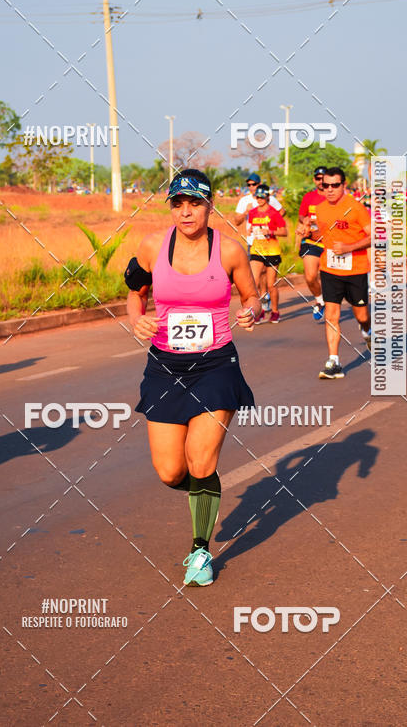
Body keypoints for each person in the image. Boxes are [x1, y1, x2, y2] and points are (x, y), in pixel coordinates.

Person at [125, 168, 260, 587]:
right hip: (165, 365)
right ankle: (206, 492)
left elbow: (251, 294)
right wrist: (136, 319)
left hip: (215, 365)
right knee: (170, 471)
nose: (186, 212)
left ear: (209, 205)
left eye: (195, 203)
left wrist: (251, 311)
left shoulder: (230, 250)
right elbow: (135, 291)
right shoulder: (151, 247)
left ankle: (200, 549)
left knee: (201, 461)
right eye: (178, 204)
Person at [311, 167, 372, 379]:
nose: (329, 190)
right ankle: (334, 361)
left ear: (344, 185)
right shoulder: (320, 209)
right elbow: (325, 234)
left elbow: (373, 237)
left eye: (334, 185)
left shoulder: (356, 208)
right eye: (325, 185)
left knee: (362, 315)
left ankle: (367, 332)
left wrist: (349, 248)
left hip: (356, 269)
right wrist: (309, 232)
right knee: (331, 315)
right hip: (330, 268)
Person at [234, 172, 285, 311]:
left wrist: (271, 225)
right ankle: (262, 299)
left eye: (254, 184)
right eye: (249, 184)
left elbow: (282, 212)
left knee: (267, 278)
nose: (252, 187)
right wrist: (246, 212)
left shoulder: (270, 199)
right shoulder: (244, 201)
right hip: (253, 242)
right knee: (256, 275)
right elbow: (236, 221)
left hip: (270, 244)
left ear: (259, 184)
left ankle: (266, 298)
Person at [247, 184, 288, 324]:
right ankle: (259, 310)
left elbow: (284, 232)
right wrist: (251, 230)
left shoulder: (274, 213)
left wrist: (270, 232)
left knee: (271, 284)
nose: (259, 199)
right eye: (257, 197)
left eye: (262, 197)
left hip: (272, 251)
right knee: (255, 281)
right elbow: (252, 226)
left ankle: (275, 311)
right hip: (257, 249)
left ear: (267, 197)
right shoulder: (252, 212)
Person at [295, 166, 327, 321]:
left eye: (323, 178)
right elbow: (301, 215)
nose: (321, 181)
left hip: (330, 243)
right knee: (310, 276)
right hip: (311, 241)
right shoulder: (309, 197)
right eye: (318, 178)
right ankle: (320, 300)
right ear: (314, 180)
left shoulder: (333, 197)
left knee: (329, 278)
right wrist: (305, 221)